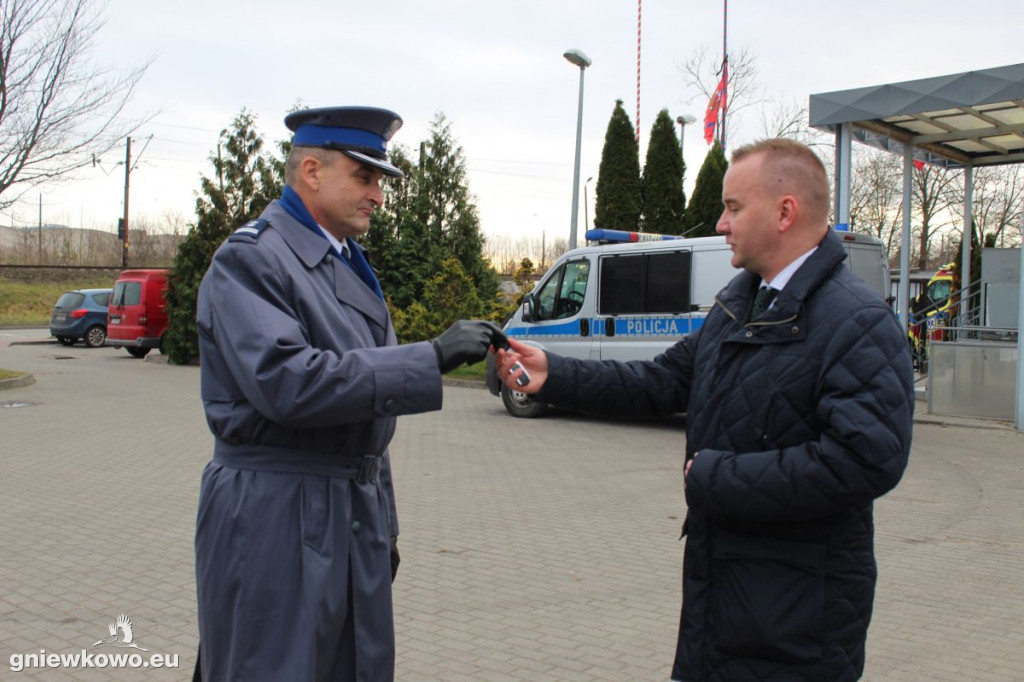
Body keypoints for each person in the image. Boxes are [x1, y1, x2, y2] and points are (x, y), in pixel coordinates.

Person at [494, 138, 914, 682]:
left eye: (733, 207)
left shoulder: (857, 322)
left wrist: (717, 478)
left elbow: (864, 461)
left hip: (795, 620)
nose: (720, 223)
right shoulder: (738, 304)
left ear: (785, 212)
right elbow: (661, 381)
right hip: (724, 597)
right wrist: (555, 373)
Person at [194, 106, 498, 681]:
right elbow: (289, 382)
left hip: (344, 510)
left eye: (380, 179)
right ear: (312, 172)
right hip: (277, 512)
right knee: (274, 667)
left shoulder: (344, 261)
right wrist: (429, 357)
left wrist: (385, 520)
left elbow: (367, 423)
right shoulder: (251, 259)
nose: (378, 195)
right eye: (364, 177)